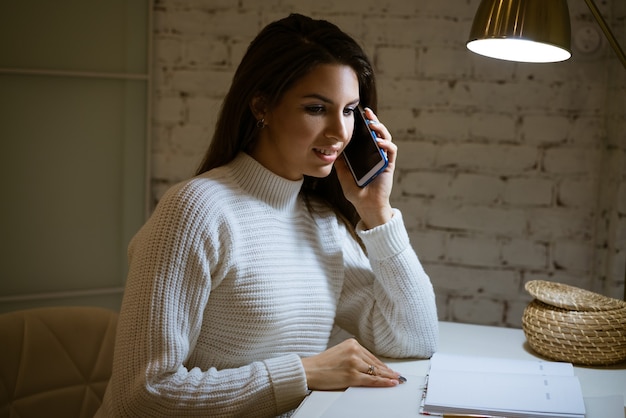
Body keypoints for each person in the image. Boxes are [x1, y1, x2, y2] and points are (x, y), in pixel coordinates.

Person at [96, 13, 438, 418]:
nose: (338, 132)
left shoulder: (323, 222)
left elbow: (414, 338)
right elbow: (144, 394)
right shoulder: (195, 211)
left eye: (349, 111)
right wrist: (304, 373)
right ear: (262, 105)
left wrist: (377, 211)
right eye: (316, 108)